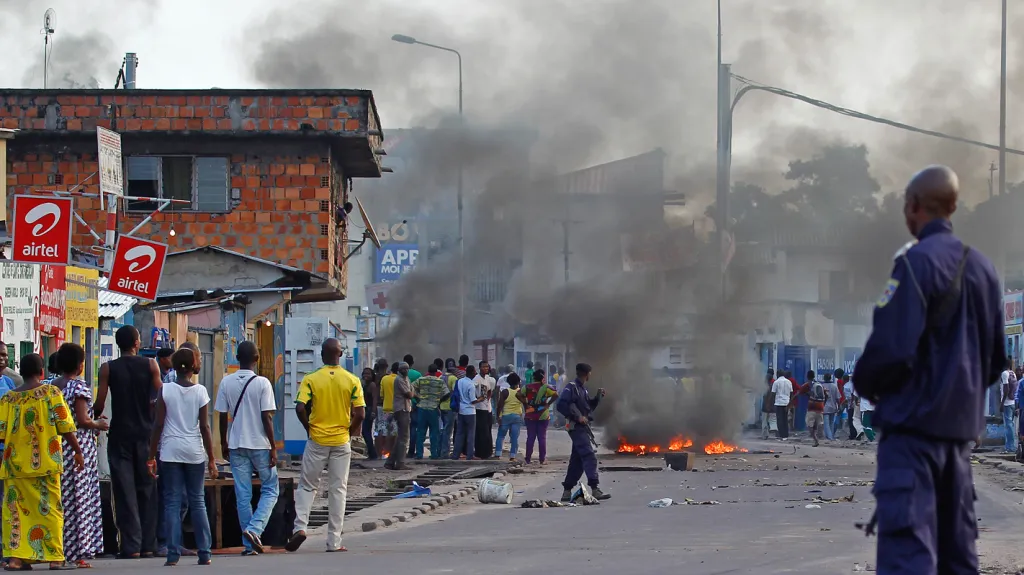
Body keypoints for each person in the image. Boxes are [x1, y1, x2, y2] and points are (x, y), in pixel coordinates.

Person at [853, 165, 1004, 574]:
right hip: (958, 443)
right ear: (953, 207)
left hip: (912, 438)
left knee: (909, 553)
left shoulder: (914, 265)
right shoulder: (985, 270)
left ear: (914, 206)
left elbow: (889, 349)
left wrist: (867, 383)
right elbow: (994, 361)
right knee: (958, 557)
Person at [0, 353, 84, 571]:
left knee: (16, 511)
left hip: (14, 464)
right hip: (46, 462)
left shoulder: (8, 398)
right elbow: (65, 425)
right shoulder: (51, 393)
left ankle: (17, 558)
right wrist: (77, 451)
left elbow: (1, 433)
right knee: (51, 509)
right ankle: (55, 558)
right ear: (41, 373)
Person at [288, 339, 365, 553]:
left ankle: (300, 527)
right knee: (338, 490)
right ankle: (334, 542)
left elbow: (300, 408)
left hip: (317, 440)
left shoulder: (311, 379)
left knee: (307, 485)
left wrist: (309, 428)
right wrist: (348, 432)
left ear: (322, 355)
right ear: (340, 355)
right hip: (341, 441)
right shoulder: (352, 380)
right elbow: (360, 414)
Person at [94, 325, 162, 559]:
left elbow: (100, 403)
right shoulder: (151, 365)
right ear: (136, 343)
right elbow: (161, 396)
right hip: (146, 436)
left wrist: (93, 420)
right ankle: (148, 545)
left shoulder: (108, 368)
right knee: (147, 490)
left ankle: (131, 546)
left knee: (124, 492)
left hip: (120, 435)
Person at [147, 348, 216, 567]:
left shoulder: (165, 390)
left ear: (174, 366)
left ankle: (172, 554)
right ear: (194, 365)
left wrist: (151, 456)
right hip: (194, 451)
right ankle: (204, 553)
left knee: (172, 502)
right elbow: (205, 427)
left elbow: (158, 425)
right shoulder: (201, 392)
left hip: (170, 451)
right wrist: (212, 458)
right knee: (197, 501)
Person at [213, 341, 278, 556]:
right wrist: (273, 447)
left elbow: (222, 416)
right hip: (260, 444)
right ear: (257, 359)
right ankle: (254, 529)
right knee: (270, 489)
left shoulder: (226, 382)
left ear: (237, 358)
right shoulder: (262, 383)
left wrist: (224, 442)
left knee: (243, 495)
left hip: (236, 444)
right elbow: (266, 417)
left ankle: (250, 545)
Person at [51, 343, 107, 568]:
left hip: (57, 448)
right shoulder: (78, 387)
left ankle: (59, 550)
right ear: (80, 364)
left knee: (62, 501)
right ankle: (79, 552)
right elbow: (82, 420)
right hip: (78, 450)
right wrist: (99, 424)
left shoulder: (52, 386)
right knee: (80, 501)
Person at [556, 363, 610, 501]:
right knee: (589, 455)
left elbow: (587, 409)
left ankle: (567, 490)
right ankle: (595, 488)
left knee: (577, 461)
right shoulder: (571, 387)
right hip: (576, 427)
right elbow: (561, 405)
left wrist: (597, 398)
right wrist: (577, 417)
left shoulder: (582, 390)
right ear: (587, 374)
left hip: (583, 427)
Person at [523, 369, 558, 465]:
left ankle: (528, 459)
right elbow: (556, 394)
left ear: (533, 377)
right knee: (542, 438)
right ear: (543, 377)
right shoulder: (546, 387)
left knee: (530, 437)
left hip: (530, 415)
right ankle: (542, 459)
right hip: (543, 415)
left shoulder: (527, 387)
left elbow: (519, 394)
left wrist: (525, 404)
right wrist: (548, 404)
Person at [412, 363, 445, 460]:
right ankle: (434, 454)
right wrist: (438, 401)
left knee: (420, 432)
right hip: (433, 408)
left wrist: (417, 397)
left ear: (428, 371)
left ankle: (419, 454)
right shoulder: (440, 382)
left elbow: (411, 387)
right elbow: (446, 393)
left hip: (422, 408)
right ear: (436, 372)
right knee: (434, 432)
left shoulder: (421, 380)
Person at [384, 363, 413, 471]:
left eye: (407, 368)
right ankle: (400, 463)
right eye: (403, 369)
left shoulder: (406, 379)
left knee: (401, 437)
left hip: (405, 409)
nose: (405, 370)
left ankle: (390, 462)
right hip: (401, 409)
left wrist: (412, 392)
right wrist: (412, 392)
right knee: (404, 437)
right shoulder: (399, 380)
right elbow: (409, 394)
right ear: (399, 370)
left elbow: (412, 390)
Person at [451, 365, 483, 460]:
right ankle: (469, 455)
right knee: (470, 434)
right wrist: (481, 398)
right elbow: (473, 400)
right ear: (472, 373)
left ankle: (456, 454)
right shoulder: (471, 385)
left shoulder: (460, 381)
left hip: (461, 410)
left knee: (459, 434)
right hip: (470, 411)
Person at [494, 373, 525, 461]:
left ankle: (498, 454)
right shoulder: (520, 392)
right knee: (514, 437)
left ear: (508, 382)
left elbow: (499, 405)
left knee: (501, 436)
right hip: (517, 416)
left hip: (506, 416)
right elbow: (525, 403)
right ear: (518, 381)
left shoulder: (505, 392)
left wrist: (498, 417)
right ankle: (512, 456)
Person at [375, 362, 398, 458]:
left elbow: (381, 395)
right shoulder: (400, 379)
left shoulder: (384, 379)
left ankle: (380, 454)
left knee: (380, 431)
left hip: (383, 408)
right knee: (394, 432)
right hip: (397, 409)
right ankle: (391, 454)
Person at [797, 370, 826, 447]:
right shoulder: (819, 384)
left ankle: (816, 439)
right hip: (820, 407)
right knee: (819, 422)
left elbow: (798, 393)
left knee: (809, 424)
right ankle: (821, 434)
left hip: (812, 408)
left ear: (807, 376)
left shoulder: (807, 385)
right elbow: (826, 395)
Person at [473, 362, 496, 459]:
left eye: (487, 366)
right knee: (482, 432)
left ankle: (488, 452)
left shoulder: (487, 378)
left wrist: (487, 399)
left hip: (487, 408)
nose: (486, 368)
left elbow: (490, 390)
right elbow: (472, 391)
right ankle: (481, 453)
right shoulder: (476, 379)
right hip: (479, 408)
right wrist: (478, 400)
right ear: (479, 368)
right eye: (484, 367)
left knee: (488, 431)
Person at [438, 358, 459, 459]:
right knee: (448, 431)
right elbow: (455, 393)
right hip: (450, 407)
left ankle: (440, 451)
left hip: (441, 407)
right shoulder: (454, 379)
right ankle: (445, 453)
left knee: (443, 430)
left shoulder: (440, 377)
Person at [402, 355, 421, 459]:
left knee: (403, 429)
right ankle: (411, 451)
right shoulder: (418, 374)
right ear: (413, 363)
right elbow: (420, 389)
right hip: (415, 404)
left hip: (403, 404)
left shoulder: (400, 375)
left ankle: (401, 451)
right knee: (414, 428)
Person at [371, 359, 390, 458]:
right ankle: (384, 454)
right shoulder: (387, 377)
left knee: (378, 431)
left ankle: (379, 454)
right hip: (385, 406)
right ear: (386, 366)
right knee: (386, 431)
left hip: (376, 407)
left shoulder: (374, 378)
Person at [359, 367, 379, 460]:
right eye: (364, 374)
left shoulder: (372, 385)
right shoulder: (364, 384)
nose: (366, 375)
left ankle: (373, 454)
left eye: (368, 374)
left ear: (372, 376)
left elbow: (375, 399)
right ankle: (371, 453)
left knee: (365, 431)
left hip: (370, 410)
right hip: (366, 409)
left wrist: (373, 412)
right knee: (366, 432)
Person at [1001, 357, 1018, 453]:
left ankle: (1010, 447)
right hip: (1012, 402)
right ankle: (1010, 446)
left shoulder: (1004, 373)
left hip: (1007, 403)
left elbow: (1006, 389)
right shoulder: (1013, 373)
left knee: (1008, 426)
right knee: (1011, 425)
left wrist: (1002, 403)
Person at [770, 371, 793, 440]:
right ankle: (786, 435)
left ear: (778, 375)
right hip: (786, 403)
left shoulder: (776, 382)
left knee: (779, 420)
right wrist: (790, 404)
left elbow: (773, 394)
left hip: (779, 403)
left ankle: (781, 435)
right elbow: (791, 393)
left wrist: (771, 404)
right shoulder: (789, 382)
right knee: (785, 419)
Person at [822, 373, 843, 442]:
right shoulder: (834, 386)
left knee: (826, 424)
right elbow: (838, 398)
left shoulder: (822, 386)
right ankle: (831, 436)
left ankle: (830, 437)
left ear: (824, 378)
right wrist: (839, 406)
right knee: (831, 423)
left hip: (824, 407)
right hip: (833, 407)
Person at [760, 368, 777, 440]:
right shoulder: (775, 383)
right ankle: (775, 432)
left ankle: (765, 435)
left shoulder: (765, 382)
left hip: (766, 405)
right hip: (772, 405)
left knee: (764, 421)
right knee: (773, 420)